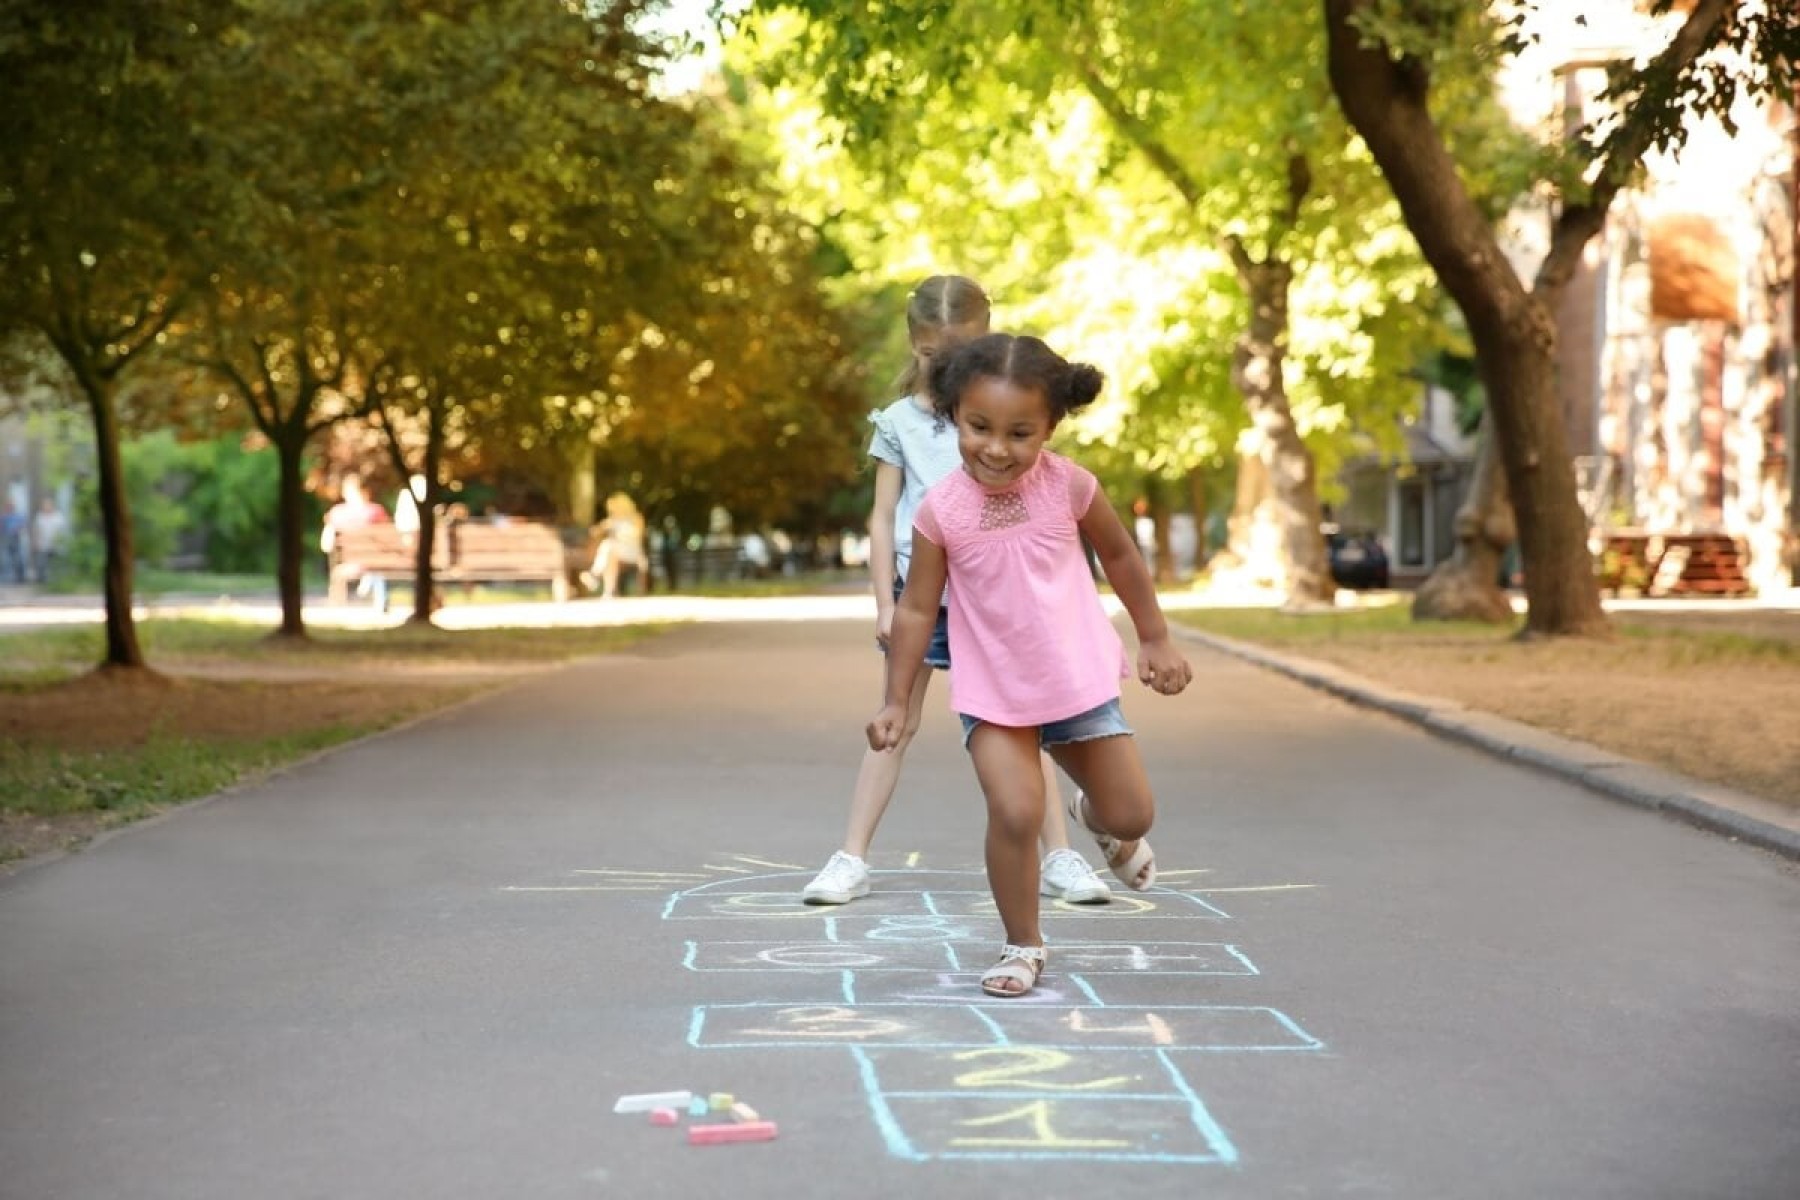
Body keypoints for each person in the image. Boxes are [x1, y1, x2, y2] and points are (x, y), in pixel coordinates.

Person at [868, 332, 1194, 998]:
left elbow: (1122, 557)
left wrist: (1154, 637)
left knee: (1132, 815)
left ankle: (1097, 821)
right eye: (978, 426)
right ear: (954, 415)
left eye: (1020, 433)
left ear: (1050, 427)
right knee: (1015, 812)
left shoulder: (1069, 485)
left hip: (1076, 681)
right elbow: (914, 609)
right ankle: (1023, 944)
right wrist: (897, 700)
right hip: (995, 693)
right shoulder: (942, 511)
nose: (995, 448)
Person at [804, 275, 1114, 909]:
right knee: (895, 719)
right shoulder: (897, 423)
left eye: (958, 354)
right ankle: (851, 857)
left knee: (1029, 725)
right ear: (913, 345)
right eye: (931, 356)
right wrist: (886, 605)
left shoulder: (1000, 414)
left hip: (999, 597)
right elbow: (881, 514)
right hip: (924, 594)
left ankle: (1061, 856)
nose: (943, 367)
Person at [319, 474, 391, 609]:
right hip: (376, 561)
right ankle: (380, 599)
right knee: (376, 566)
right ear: (366, 491)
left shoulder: (337, 513)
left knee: (372, 566)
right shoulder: (375, 511)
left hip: (350, 562)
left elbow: (326, 545)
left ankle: (345, 597)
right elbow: (389, 538)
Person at [583, 492, 646, 598]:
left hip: (633, 552)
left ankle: (594, 575)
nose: (612, 511)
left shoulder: (636, 518)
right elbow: (596, 531)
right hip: (617, 551)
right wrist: (598, 529)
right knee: (610, 551)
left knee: (608, 545)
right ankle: (608, 590)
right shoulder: (613, 521)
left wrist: (621, 537)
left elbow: (638, 537)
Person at [29, 497, 67, 585]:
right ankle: (42, 581)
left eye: (48, 505)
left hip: (57, 544)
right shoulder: (40, 517)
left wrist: (62, 542)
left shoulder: (59, 517)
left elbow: (63, 531)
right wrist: (35, 542)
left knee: (57, 563)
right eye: (45, 506)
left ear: (52, 506)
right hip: (43, 544)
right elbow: (36, 530)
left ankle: (59, 581)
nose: (47, 507)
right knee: (42, 564)